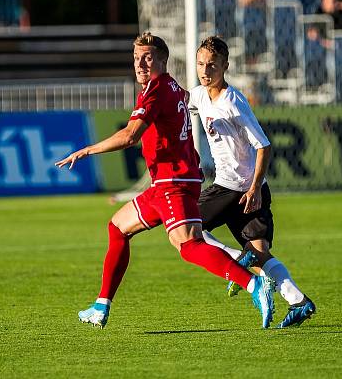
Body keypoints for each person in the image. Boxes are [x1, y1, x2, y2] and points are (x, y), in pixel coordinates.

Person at [55, 32, 275, 329]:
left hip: (173, 181)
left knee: (189, 245)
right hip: (167, 181)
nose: (140, 64)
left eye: (147, 58)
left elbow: (130, 135)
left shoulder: (156, 90)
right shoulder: (173, 86)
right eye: (136, 58)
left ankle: (252, 284)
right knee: (118, 227)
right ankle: (100, 305)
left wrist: (87, 150)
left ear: (162, 60)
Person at [188, 36, 316, 329]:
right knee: (261, 255)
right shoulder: (199, 95)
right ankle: (300, 302)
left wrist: (255, 186)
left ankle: (236, 261)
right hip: (247, 192)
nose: (205, 70)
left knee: (186, 227)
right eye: (201, 64)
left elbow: (264, 146)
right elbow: (181, 99)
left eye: (212, 65)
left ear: (225, 66)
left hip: (236, 189)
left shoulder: (233, 102)